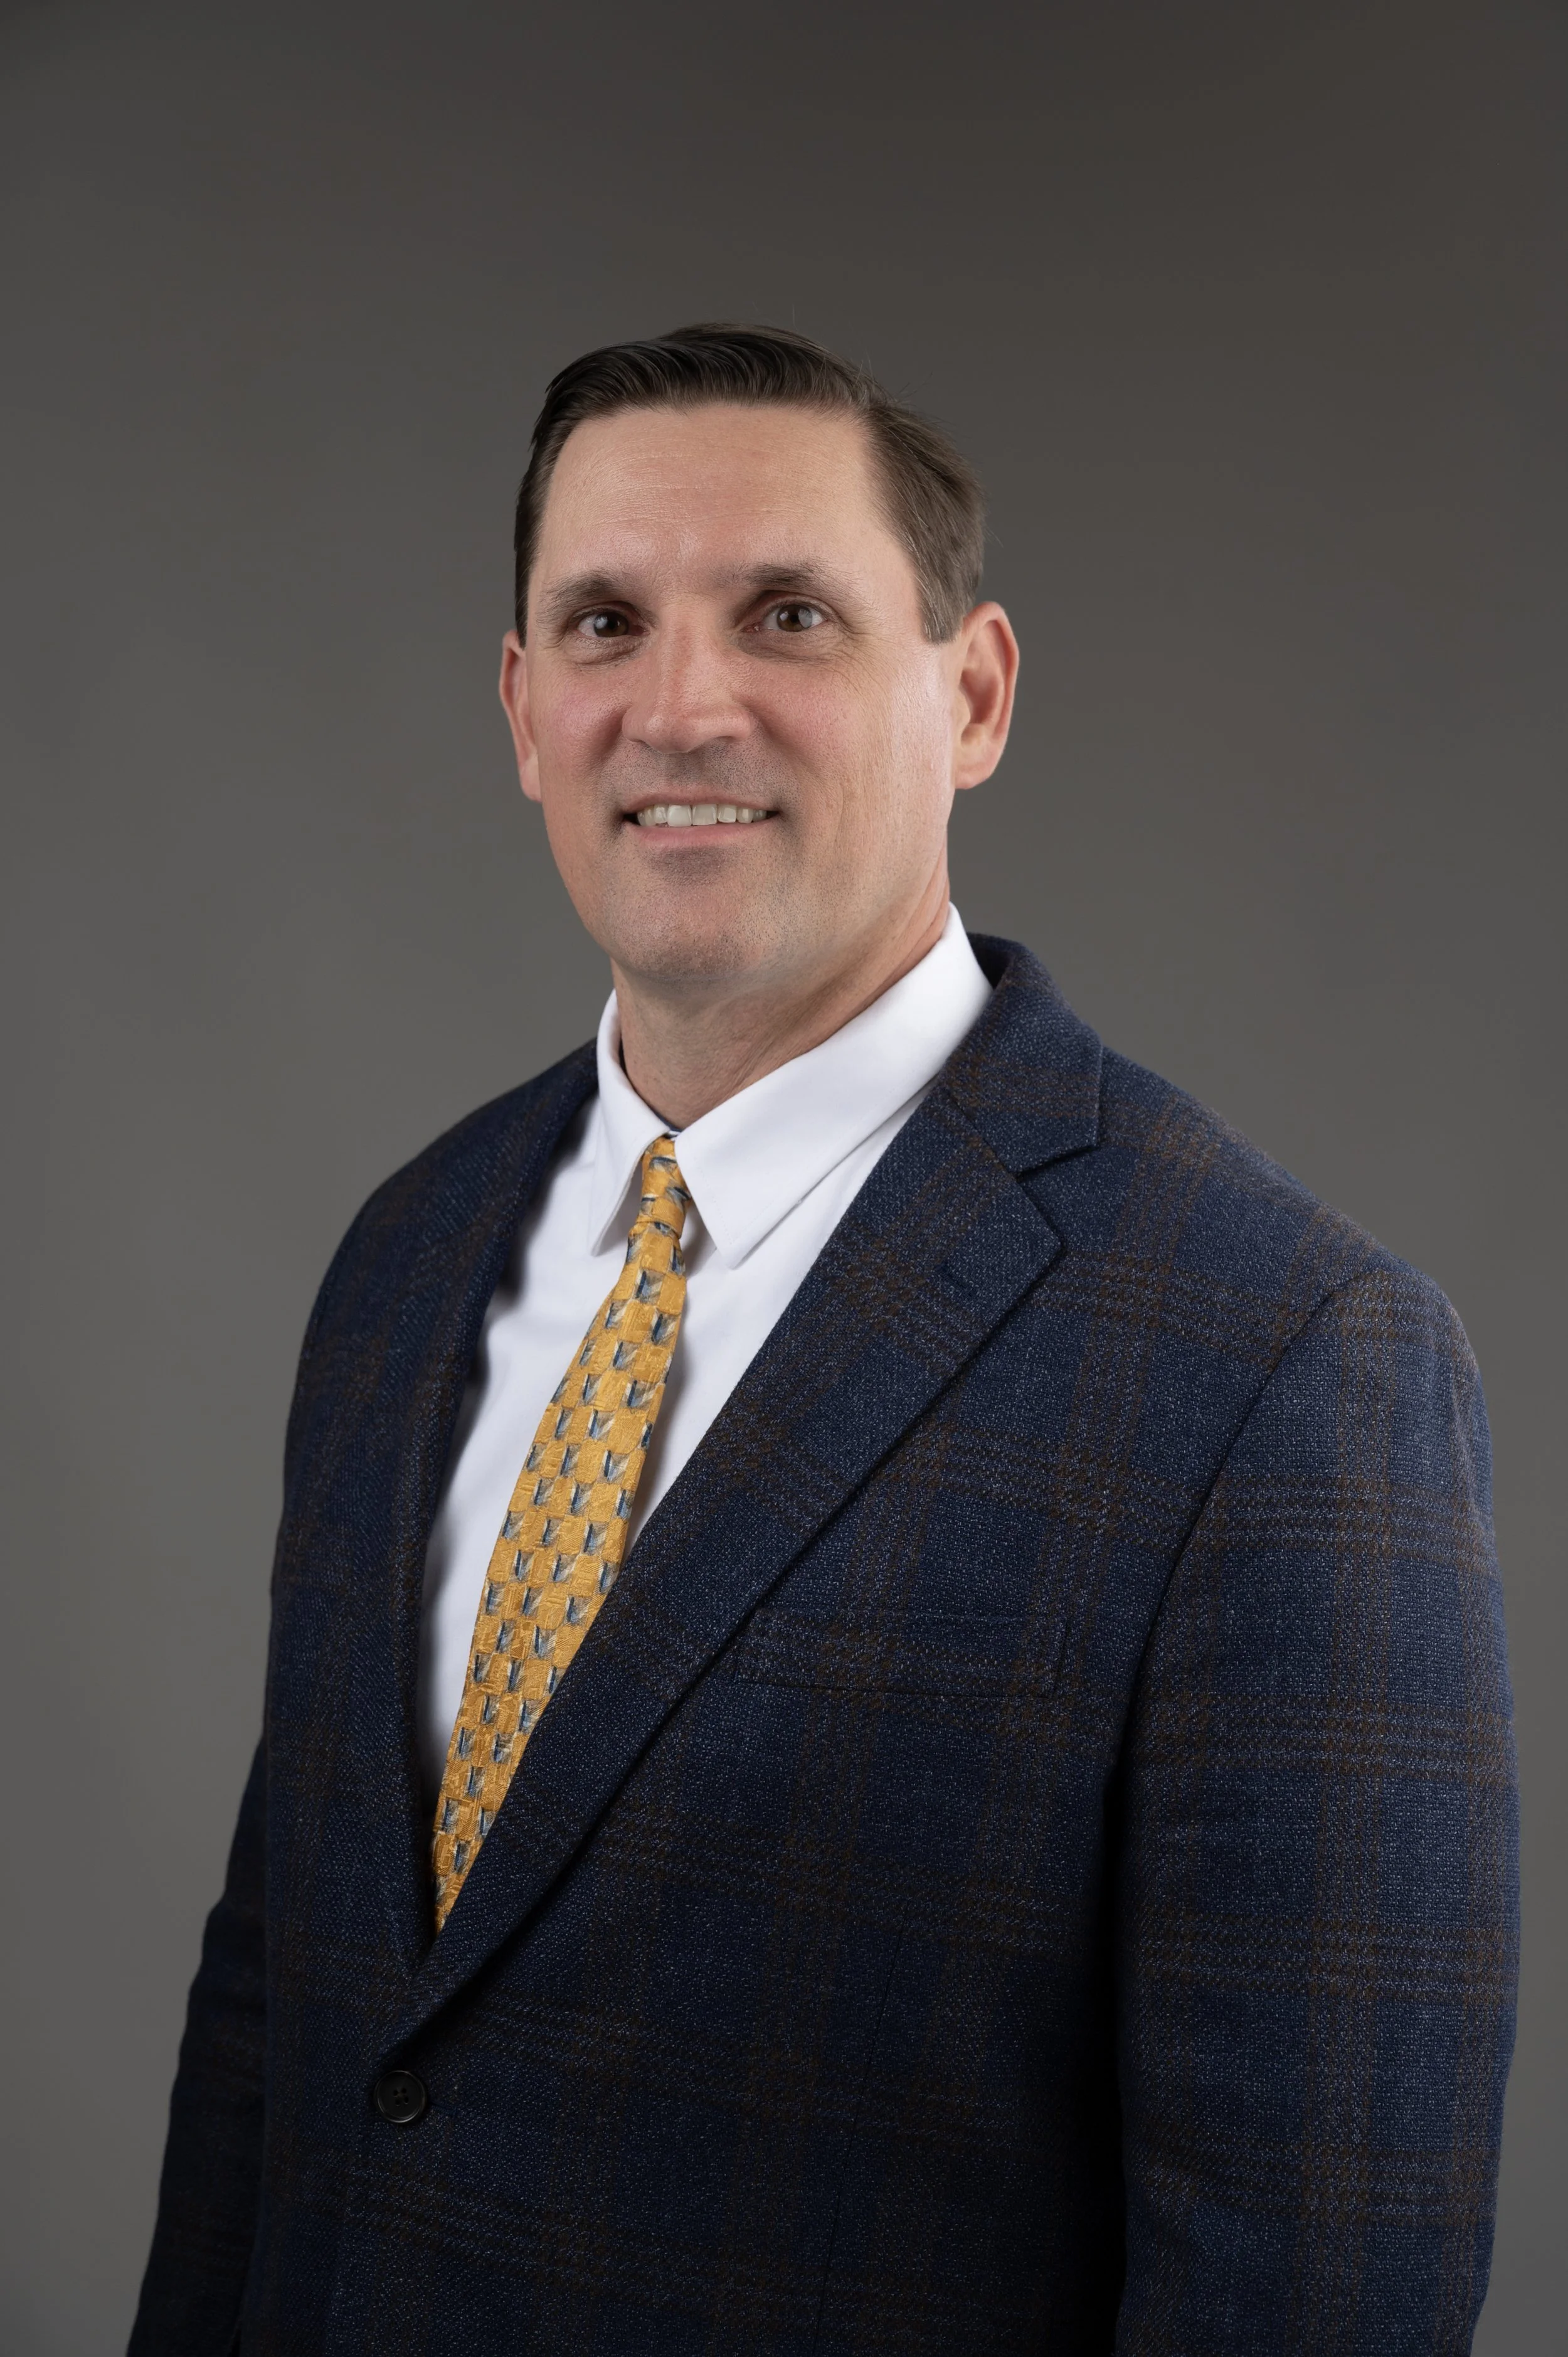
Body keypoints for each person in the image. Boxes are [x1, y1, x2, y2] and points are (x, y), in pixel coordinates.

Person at [130, 324, 1518, 2356]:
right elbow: (287, 2008)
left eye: (785, 612)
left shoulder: (1289, 1366)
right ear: (524, 711)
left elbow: (1322, 2284)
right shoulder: (408, 1254)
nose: (680, 705)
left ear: (970, 696)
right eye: (603, 623)